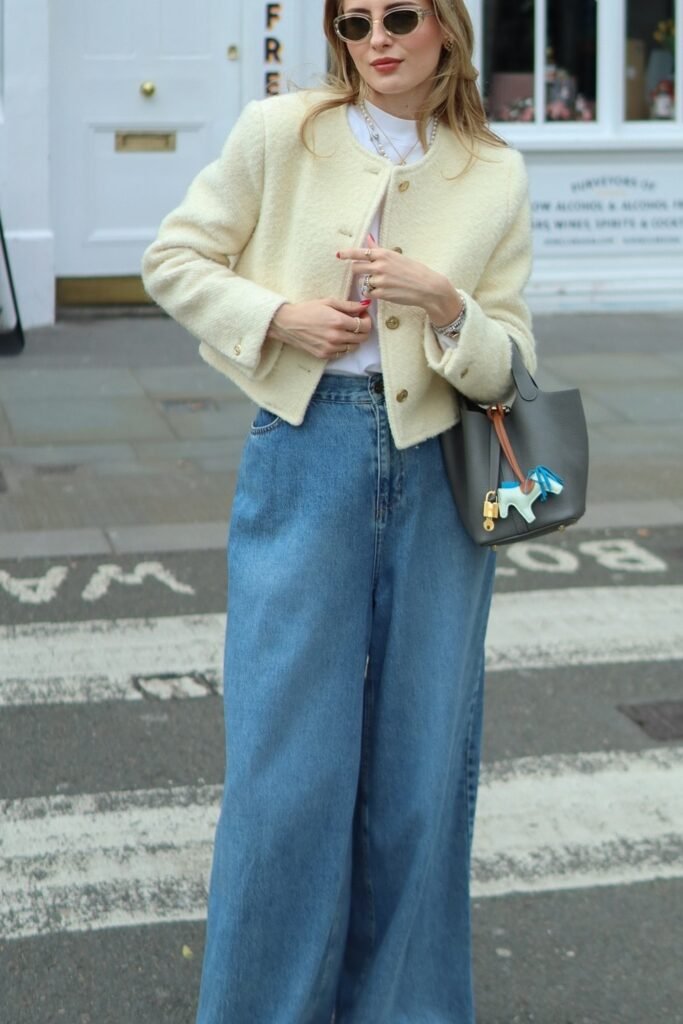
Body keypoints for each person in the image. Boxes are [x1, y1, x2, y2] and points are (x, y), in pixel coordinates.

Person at [142, 1, 536, 1020]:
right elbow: (174, 260)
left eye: (398, 15)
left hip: (439, 470)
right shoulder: (283, 131)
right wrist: (276, 316)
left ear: (444, 26)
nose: (376, 40)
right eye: (352, 22)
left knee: (418, 776)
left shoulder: (491, 169)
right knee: (284, 780)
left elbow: (513, 363)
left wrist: (444, 304)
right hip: (306, 448)